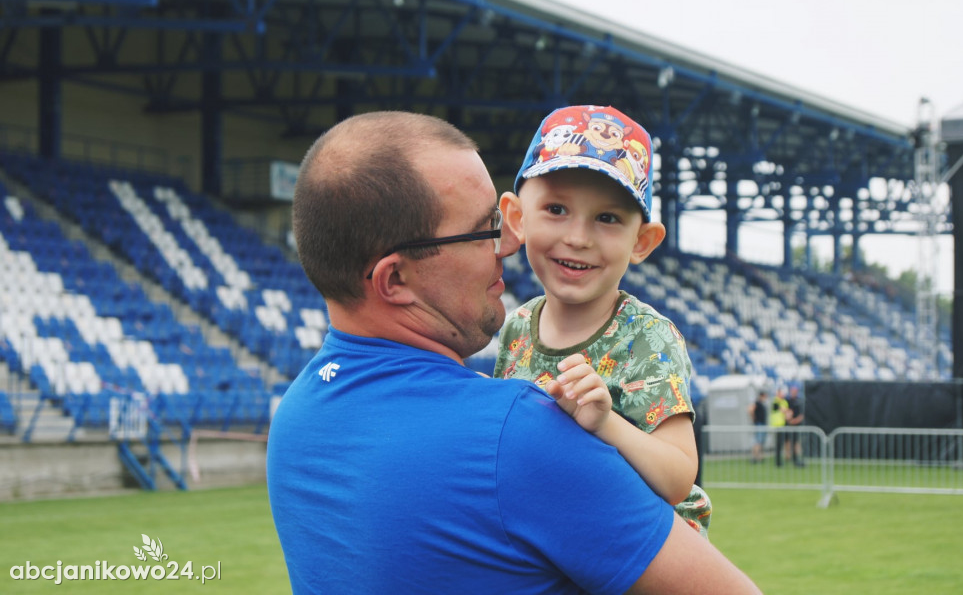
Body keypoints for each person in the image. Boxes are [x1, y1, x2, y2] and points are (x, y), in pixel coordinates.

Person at [265, 111, 761, 595]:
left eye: (607, 218)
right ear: (395, 279)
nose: (506, 246)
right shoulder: (516, 433)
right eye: (485, 229)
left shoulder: (294, 418)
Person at [493, 104, 712, 537]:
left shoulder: (647, 337)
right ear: (517, 217)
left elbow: (677, 478)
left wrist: (605, 422)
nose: (577, 238)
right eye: (556, 209)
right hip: (558, 532)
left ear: (642, 241)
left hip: (643, 552)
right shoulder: (516, 326)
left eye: (607, 218)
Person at [783, 384, 805, 467]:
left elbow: (801, 415)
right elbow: (785, 411)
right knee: (787, 441)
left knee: (796, 442)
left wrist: (795, 421)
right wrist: (789, 420)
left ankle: (797, 457)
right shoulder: (786, 401)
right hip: (788, 425)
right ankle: (788, 456)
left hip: (796, 425)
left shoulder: (799, 401)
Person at [770, 387, 789, 467]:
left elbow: (787, 411)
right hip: (777, 426)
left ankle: (781, 460)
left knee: (782, 444)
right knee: (778, 445)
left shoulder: (784, 401)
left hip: (783, 425)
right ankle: (778, 462)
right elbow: (781, 409)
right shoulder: (775, 401)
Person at [748, 390, 768, 463]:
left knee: (761, 442)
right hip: (759, 424)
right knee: (758, 441)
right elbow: (750, 409)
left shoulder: (762, 403)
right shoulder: (757, 402)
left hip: (762, 424)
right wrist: (754, 418)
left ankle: (759, 457)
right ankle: (754, 457)